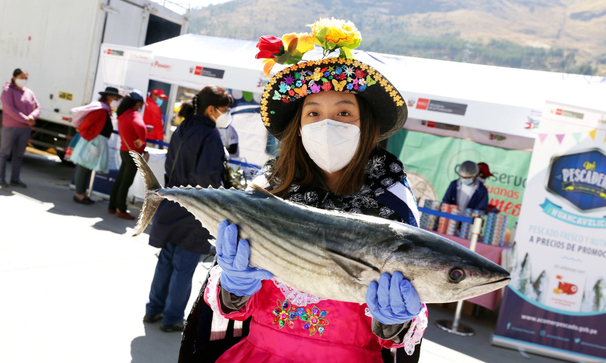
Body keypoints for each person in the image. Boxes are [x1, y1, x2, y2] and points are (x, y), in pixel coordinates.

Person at [179, 19, 427, 363]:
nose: (328, 124)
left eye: (344, 111)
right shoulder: (268, 191)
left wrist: (394, 321)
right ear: (298, 127)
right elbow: (229, 311)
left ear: (366, 123)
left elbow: (400, 334)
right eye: (313, 113)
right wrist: (233, 287)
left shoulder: (392, 205)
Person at [144, 86, 232, 333]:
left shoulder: (184, 127)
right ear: (211, 109)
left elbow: (170, 165)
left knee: (166, 262)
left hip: (172, 202)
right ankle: (172, 318)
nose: (226, 115)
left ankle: (153, 310)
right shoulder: (210, 135)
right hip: (194, 211)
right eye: (225, 110)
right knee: (184, 267)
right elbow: (207, 179)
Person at [71, 87, 122, 204]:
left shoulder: (104, 110)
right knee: (84, 168)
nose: (117, 101)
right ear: (108, 97)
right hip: (92, 142)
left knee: (88, 168)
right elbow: (85, 124)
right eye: (116, 98)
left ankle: (82, 193)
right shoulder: (100, 110)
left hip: (94, 141)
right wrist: (88, 136)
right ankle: (78, 194)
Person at [108, 90, 147, 220]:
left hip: (125, 150)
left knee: (120, 180)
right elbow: (140, 127)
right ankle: (121, 209)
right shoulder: (134, 114)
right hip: (133, 153)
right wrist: (142, 138)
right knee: (126, 182)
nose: (140, 107)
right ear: (136, 103)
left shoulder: (124, 114)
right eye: (140, 104)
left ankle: (112, 206)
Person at [0, 68, 40, 188]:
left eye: (25, 78)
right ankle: (1, 178)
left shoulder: (29, 92)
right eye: (21, 77)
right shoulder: (7, 91)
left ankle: (15, 179)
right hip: (11, 128)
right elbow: (9, 109)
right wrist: (26, 119)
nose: (23, 80)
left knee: (19, 155)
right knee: (4, 153)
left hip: (25, 129)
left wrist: (32, 116)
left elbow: (37, 106)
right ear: (14, 78)